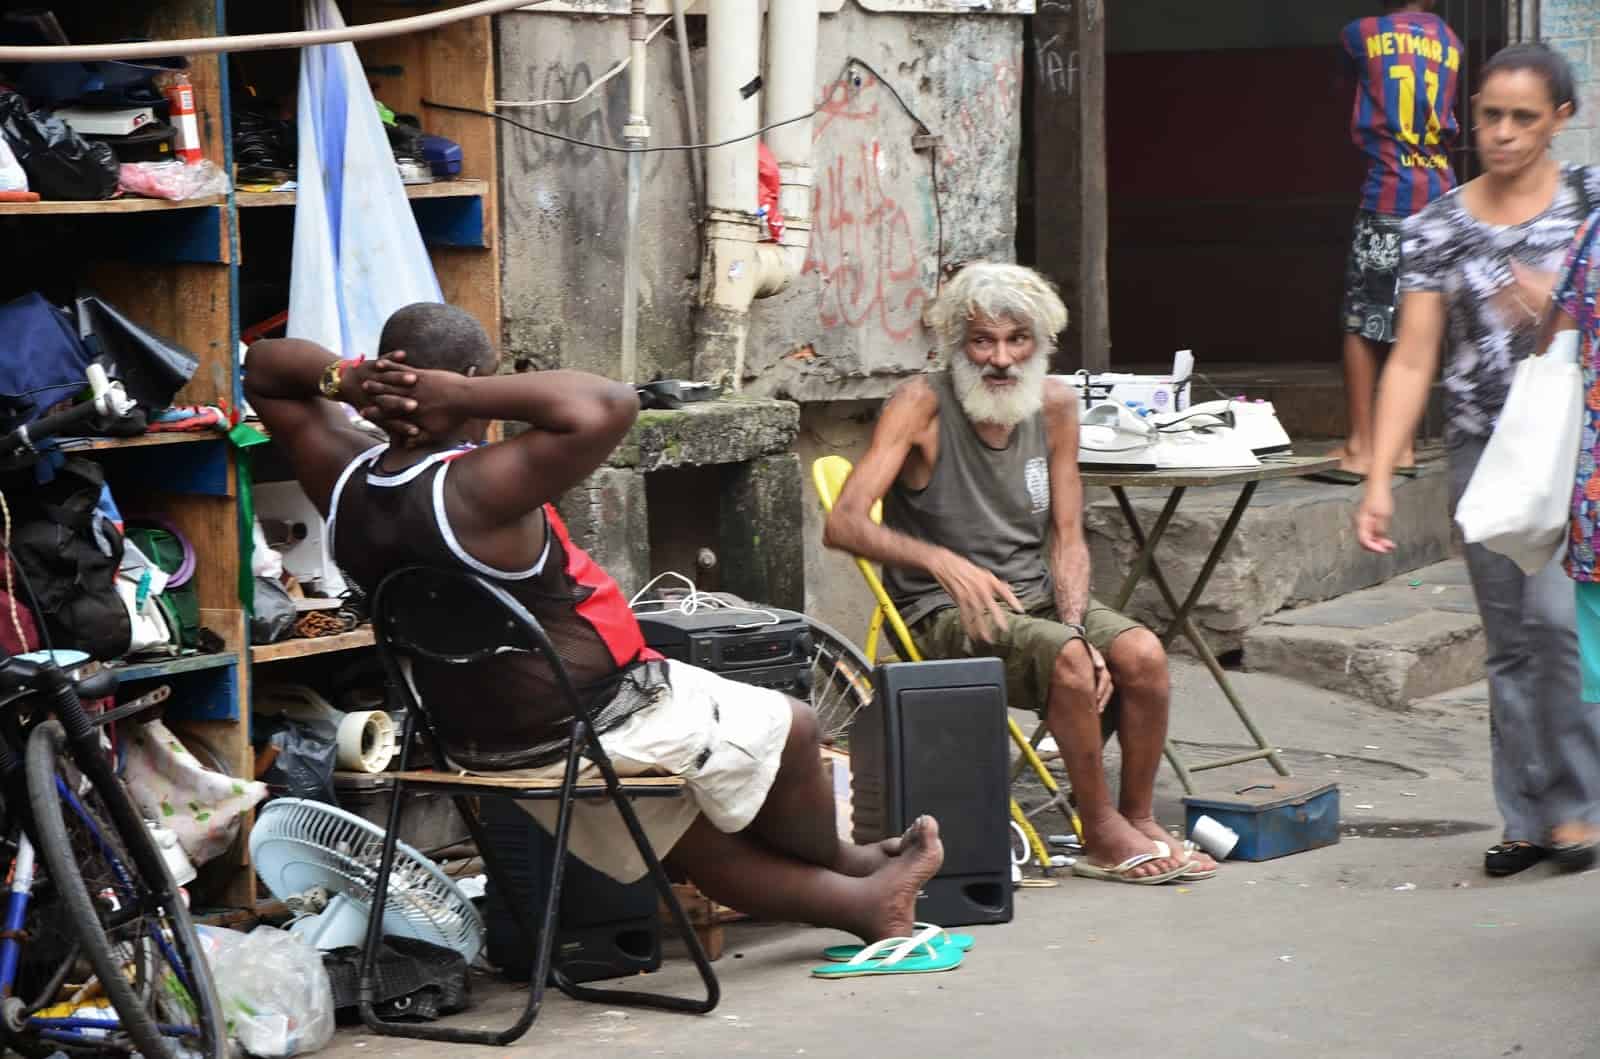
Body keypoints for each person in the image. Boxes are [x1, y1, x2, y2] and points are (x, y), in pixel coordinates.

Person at [243, 303, 944, 943]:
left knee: (693, 836)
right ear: (465, 384)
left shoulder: (342, 473)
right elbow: (608, 404)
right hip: (589, 720)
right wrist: (458, 393)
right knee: (794, 723)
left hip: (473, 741)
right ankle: (847, 863)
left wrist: (349, 377)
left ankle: (863, 905)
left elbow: (267, 371)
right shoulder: (479, 487)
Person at [823, 262, 1214, 885]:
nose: (1001, 359)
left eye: (1017, 340)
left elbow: (1067, 537)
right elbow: (842, 524)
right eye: (983, 341)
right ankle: (1098, 829)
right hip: (942, 614)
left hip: (1033, 604)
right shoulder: (921, 404)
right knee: (1065, 659)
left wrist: (1077, 623)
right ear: (957, 344)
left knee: (1141, 652)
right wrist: (942, 561)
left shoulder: (1055, 405)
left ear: (1041, 345)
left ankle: (1136, 816)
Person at [1355, 43, 1600, 877]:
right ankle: (1524, 814)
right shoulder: (1438, 225)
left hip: (1579, 448)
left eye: (1522, 117)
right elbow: (1415, 358)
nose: (1500, 133)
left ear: (1560, 119)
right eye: (1489, 114)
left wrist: (1566, 312)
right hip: (1484, 451)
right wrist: (1381, 478)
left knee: (1559, 622)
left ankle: (1576, 806)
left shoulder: (1591, 205)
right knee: (1508, 639)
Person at [1321, 0, 1463, 484]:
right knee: (1415, 321)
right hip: (1441, 197)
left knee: (1361, 324)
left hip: (1389, 193)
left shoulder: (1359, 33)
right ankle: (1402, 443)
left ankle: (1363, 446)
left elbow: (1343, 88)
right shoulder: (1449, 41)